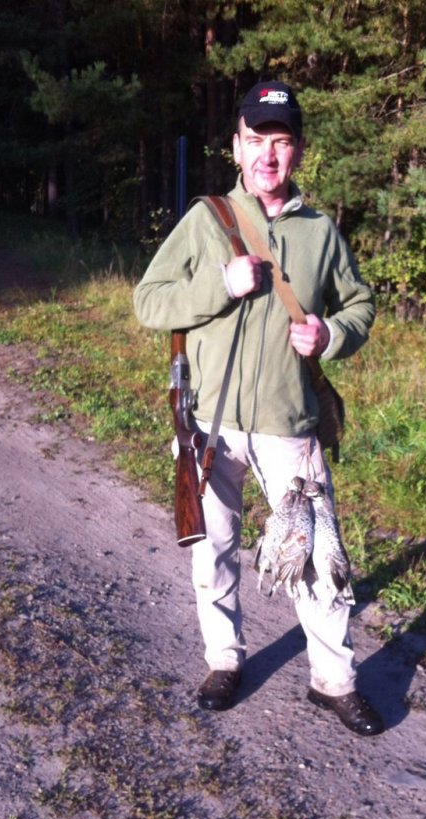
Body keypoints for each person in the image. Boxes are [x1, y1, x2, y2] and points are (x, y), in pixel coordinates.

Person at [133, 81, 384, 736]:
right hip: (208, 424)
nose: (268, 155)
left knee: (317, 556)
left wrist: (330, 335)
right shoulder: (206, 220)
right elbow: (149, 301)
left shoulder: (320, 231)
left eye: (282, 142)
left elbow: (360, 305)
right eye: (256, 141)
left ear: (297, 150)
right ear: (236, 147)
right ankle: (224, 660)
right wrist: (220, 283)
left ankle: (334, 681)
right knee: (213, 550)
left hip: (289, 424)